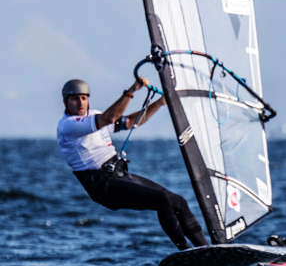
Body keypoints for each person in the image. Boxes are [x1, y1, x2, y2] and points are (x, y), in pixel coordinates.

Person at [57, 78, 208, 251]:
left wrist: (158, 103)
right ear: (65, 102)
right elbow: (109, 117)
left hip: (119, 175)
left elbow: (129, 122)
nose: (80, 103)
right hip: (103, 187)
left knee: (178, 202)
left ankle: (207, 250)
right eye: (75, 99)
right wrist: (131, 91)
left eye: (84, 98)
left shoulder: (94, 116)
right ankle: (186, 251)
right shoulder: (68, 126)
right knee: (161, 199)